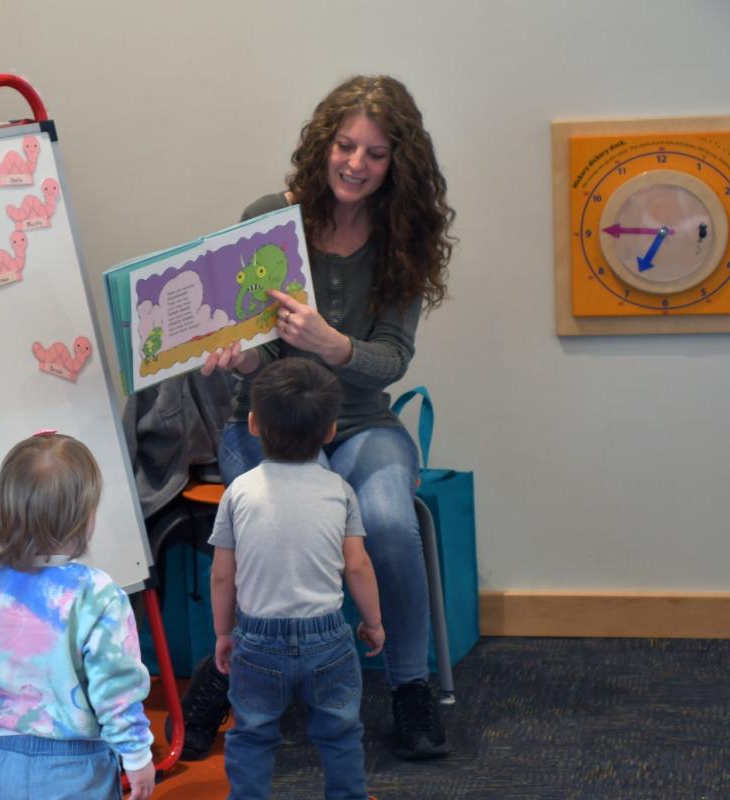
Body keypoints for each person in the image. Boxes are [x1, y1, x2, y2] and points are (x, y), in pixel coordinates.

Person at [187, 74, 456, 761]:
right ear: (323, 144)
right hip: (270, 421)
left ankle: (410, 689)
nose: (356, 165)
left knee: (391, 522)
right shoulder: (269, 218)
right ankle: (230, 678)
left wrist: (331, 345)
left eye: (375, 153)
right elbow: (260, 355)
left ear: (400, 163)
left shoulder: (406, 235)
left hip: (364, 422)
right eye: (346, 146)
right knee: (266, 521)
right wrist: (240, 361)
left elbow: (392, 359)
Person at [0, 432, 156, 800]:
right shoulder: (97, 594)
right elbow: (116, 685)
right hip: (78, 772)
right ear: (86, 517)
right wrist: (136, 753)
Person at [210, 358, 384, 799]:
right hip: (327, 636)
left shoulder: (238, 492)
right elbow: (358, 566)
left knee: (251, 735)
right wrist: (374, 622)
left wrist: (222, 632)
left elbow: (222, 576)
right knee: (341, 734)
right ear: (329, 431)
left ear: (252, 424)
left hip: (256, 639)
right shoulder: (339, 491)